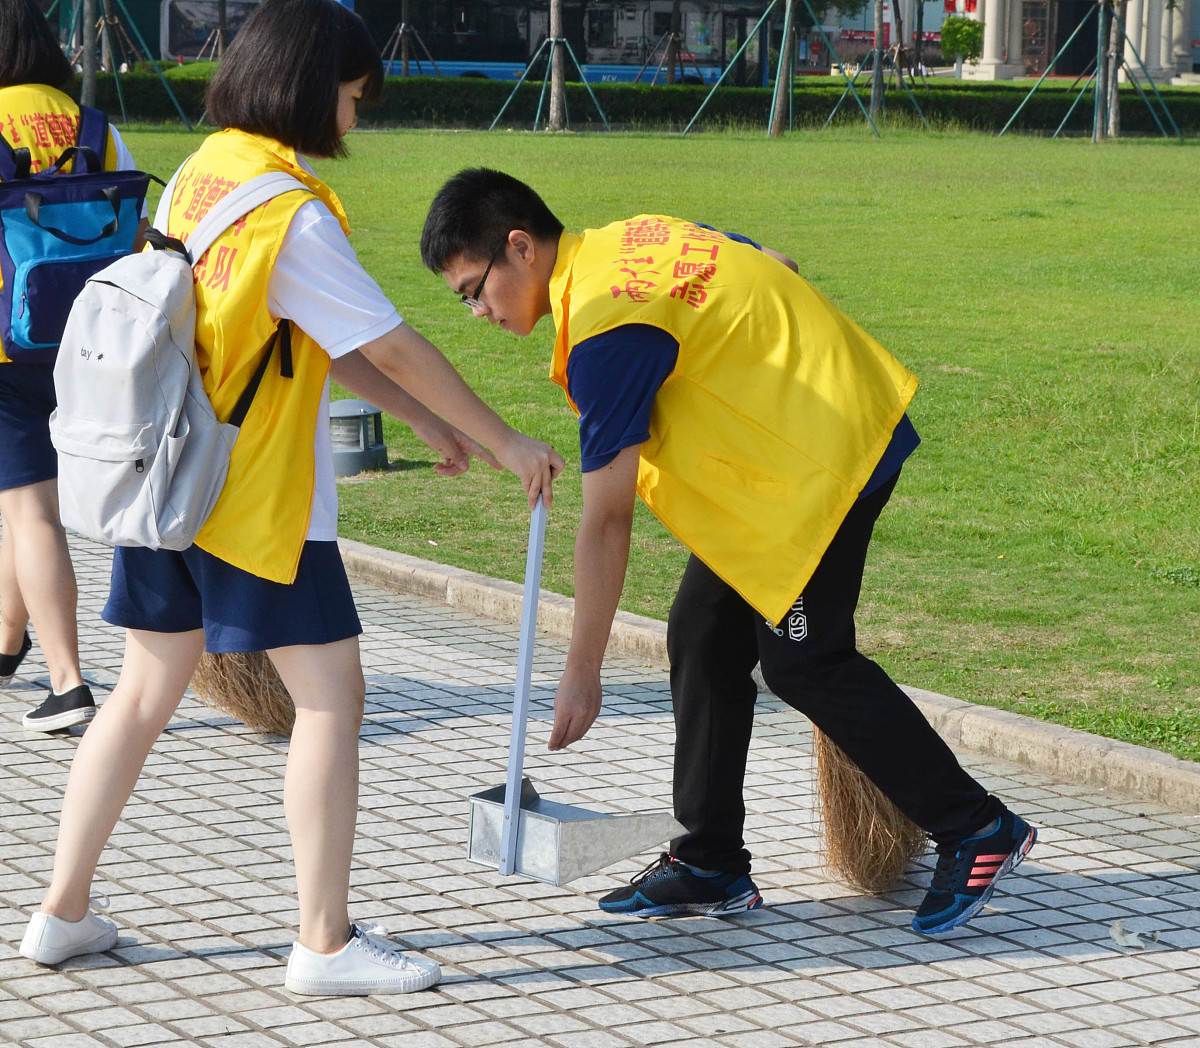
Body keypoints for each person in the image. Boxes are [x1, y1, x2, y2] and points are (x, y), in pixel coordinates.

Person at [18, 1, 563, 995]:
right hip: (256, 498)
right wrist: (506, 439)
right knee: (331, 700)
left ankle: (59, 912)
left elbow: (308, 337)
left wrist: (428, 425)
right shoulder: (294, 214)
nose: (355, 119)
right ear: (314, 89)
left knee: (138, 697)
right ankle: (324, 941)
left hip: (166, 478)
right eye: (353, 97)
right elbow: (390, 342)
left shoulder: (206, 169)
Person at [419, 168, 1037, 936]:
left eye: (474, 290)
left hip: (825, 468)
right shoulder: (631, 239)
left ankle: (977, 828)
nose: (478, 312)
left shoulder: (606, 330)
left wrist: (581, 672)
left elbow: (607, 521)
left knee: (804, 661)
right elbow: (776, 264)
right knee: (702, 633)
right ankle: (710, 860)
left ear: (521, 248)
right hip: (789, 464)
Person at [0, 0, 148, 731]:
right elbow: (136, 229)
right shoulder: (93, 126)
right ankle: (6, 642)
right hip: (84, 345)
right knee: (20, 498)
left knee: (30, 509)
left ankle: (67, 684)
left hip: (5, 346)